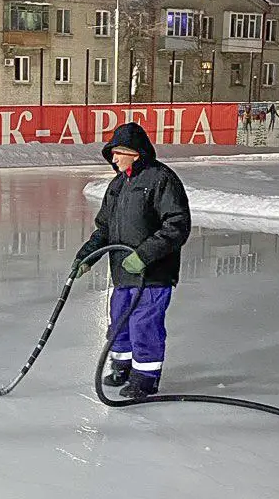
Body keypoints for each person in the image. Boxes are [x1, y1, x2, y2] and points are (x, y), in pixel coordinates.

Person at [72, 122, 192, 398]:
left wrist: (144, 255)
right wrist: (86, 256)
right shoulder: (117, 186)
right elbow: (105, 228)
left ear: (134, 153)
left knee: (144, 324)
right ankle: (122, 366)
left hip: (153, 273)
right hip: (123, 273)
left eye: (117, 153)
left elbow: (177, 225)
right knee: (119, 320)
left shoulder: (161, 179)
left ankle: (146, 377)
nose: (112, 158)